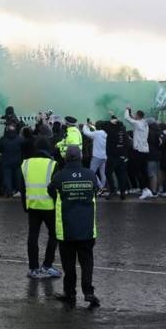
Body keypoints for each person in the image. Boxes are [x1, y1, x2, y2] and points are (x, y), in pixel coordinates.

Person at [49, 145, 100, 308]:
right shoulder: (90, 175)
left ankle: (70, 292)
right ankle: (89, 292)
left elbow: (51, 192)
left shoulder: (59, 177)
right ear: (81, 157)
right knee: (87, 262)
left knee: (68, 263)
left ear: (65, 158)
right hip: (86, 228)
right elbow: (96, 190)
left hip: (66, 228)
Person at [20, 138, 61, 279]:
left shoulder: (25, 164)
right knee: (54, 235)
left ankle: (33, 268)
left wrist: (25, 205)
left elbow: (22, 187)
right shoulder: (52, 164)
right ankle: (47, 265)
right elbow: (55, 187)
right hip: (49, 206)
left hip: (32, 205)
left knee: (33, 237)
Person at [124, 106, 152, 199]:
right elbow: (132, 118)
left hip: (139, 150)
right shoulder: (144, 123)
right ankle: (147, 189)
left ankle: (144, 189)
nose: (134, 116)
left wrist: (127, 109)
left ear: (138, 116)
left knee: (139, 171)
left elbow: (127, 118)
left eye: (135, 115)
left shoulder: (138, 123)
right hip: (144, 150)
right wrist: (131, 112)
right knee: (144, 171)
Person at [103, 114, 129, 200]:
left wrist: (109, 121)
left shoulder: (111, 131)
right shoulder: (124, 132)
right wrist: (125, 155)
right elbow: (127, 144)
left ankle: (113, 191)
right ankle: (122, 192)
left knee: (108, 173)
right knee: (121, 175)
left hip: (112, 157)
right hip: (122, 157)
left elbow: (102, 125)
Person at [82, 121, 107, 194]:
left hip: (96, 156)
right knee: (103, 173)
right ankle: (103, 188)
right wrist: (91, 126)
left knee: (91, 172)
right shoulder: (106, 133)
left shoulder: (97, 133)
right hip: (104, 156)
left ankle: (100, 187)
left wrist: (86, 125)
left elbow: (86, 132)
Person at [0, 122, 23, 197]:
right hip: (17, 161)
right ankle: (19, 190)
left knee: (7, 177)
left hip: (6, 161)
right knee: (18, 177)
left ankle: (9, 191)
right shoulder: (19, 139)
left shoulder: (3, 139)